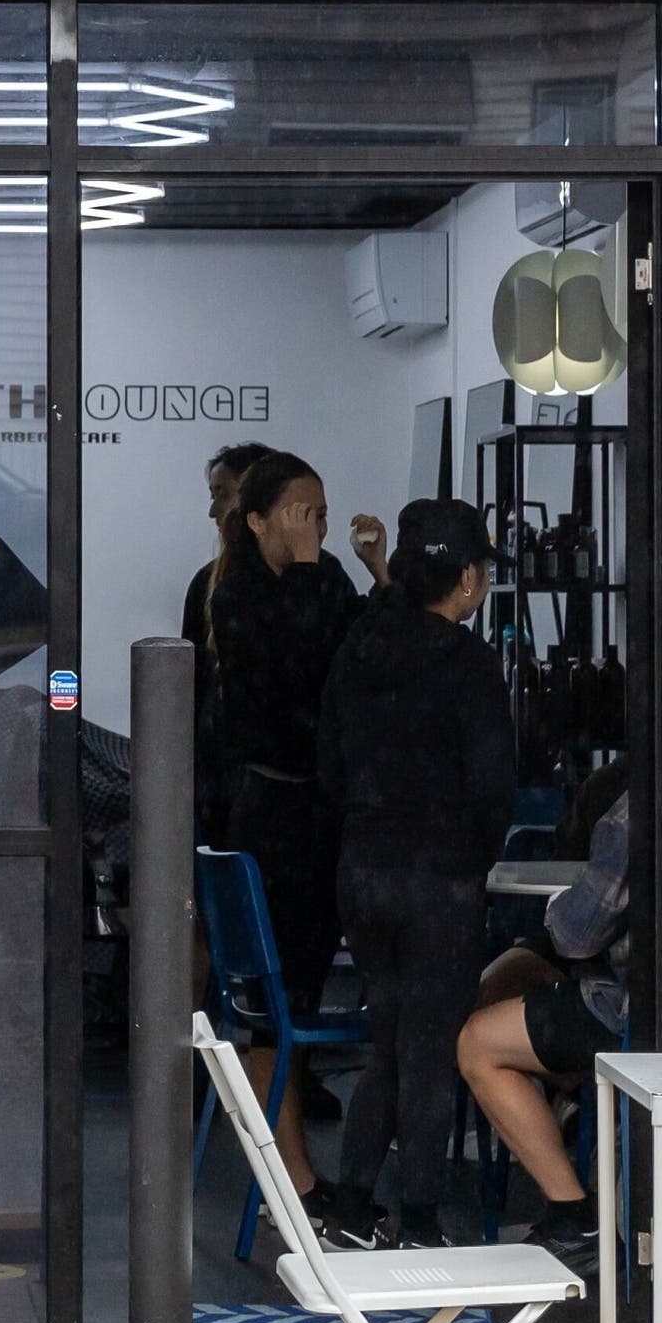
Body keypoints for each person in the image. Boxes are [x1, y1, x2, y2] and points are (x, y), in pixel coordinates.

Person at [318, 498, 516, 1251]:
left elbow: (329, 763)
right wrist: (469, 858)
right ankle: (423, 1222)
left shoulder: (361, 645)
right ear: (467, 578)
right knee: (431, 1049)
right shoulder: (467, 662)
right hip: (438, 877)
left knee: (390, 1039)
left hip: (364, 870)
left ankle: (350, 1210)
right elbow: (494, 782)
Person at [203, 451, 384, 1233]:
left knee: (304, 991)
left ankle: (303, 1170)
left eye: (321, 509)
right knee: (277, 1004)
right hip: (272, 817)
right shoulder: (238, 597)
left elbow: (369, 663)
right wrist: (315, 570)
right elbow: (297, 673)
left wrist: (376, 569)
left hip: (324, 817)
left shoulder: (330, 577)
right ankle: (293, 1179)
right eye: (302, 510)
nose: (317, 523)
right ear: (257, 520)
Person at [458, 772, 629, 1279]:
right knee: (512, 983)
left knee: (476, 1043)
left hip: (627, 1008)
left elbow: (578, 936)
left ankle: (572, 1218)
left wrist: (558, 906)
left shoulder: (632, 814)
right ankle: (574, 1104)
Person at [179, 439, 272, 846]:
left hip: (260, 790)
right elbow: (190, 690)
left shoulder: (311, 585)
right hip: (219, 783)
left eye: (222, 495)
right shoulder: (205, 584)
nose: (214, 511)